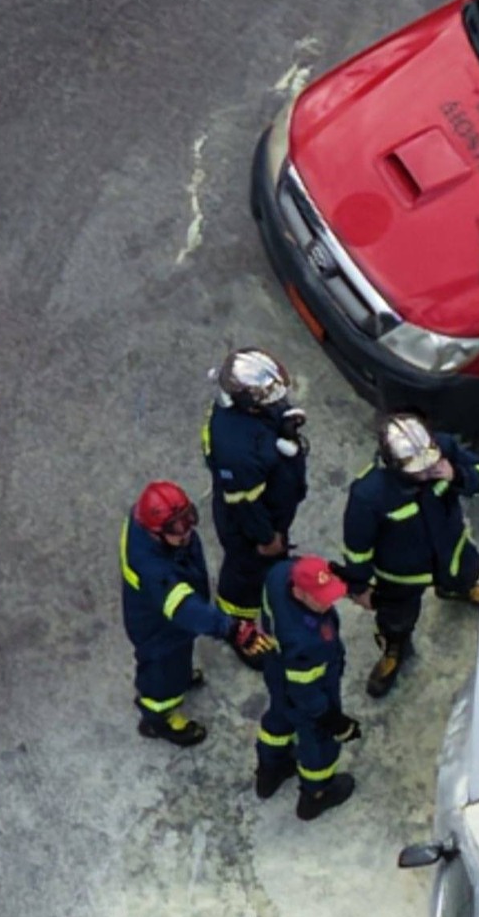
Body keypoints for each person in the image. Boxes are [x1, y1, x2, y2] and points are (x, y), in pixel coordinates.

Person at [338, 414, 479, 698]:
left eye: (431, 462)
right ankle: (395, 649)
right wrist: (358, 588)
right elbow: (357, 550)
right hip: (400, 577)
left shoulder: (443, 450)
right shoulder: (368, 495)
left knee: (468, 572)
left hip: (451, 553)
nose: (429, 470)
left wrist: (457, 474)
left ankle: (459, 590)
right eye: (419, 469)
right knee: (396, 619)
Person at [200, 348, 309, 669]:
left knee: (269, 562)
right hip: (250, 526)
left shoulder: (248, 412)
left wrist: (283, 430)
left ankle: (273, 572)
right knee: (244, 571)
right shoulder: (235, 451)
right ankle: (238, 623)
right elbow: (245, 503)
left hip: (271, 507)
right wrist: (265, 537)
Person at [119, 480, 238, 747]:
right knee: (162, 676)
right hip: (159, 631)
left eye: (188, 519)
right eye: (176, 527)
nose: (186, 531)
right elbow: (186, 609)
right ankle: (157, 718)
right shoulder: (152, 568)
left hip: (173, 626)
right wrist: (228, 628)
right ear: (155, 532)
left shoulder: (144, 522)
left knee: (179, 659)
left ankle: (179, 678)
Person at [248, 555, 360, 820]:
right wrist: (334, 720)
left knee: (279, 715)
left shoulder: (279, 575)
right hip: (311, 683)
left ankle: (269, 772)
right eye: (320, 598)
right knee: (317, 739)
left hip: (276, 668)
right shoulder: (306, 642)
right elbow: (307, 695)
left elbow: (298, 565)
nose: (328, 603)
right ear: (298, 592)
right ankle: (317, 794)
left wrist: (332, 573)